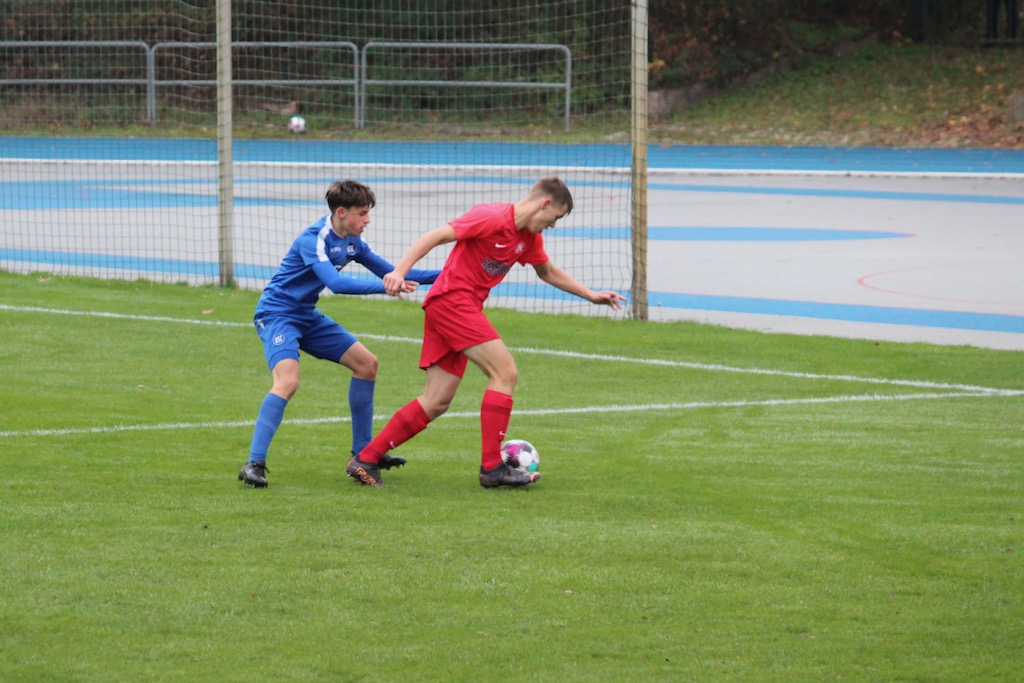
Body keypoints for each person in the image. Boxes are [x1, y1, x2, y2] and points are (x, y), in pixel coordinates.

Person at [346, 176, 626, 489]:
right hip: (453, 302)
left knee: (437, 400)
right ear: (544, 203)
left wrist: (591, 295)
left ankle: (366, 459)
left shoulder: (529, 237)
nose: (552, 225)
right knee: (505, 372)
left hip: (453, 307)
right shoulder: (491, 216)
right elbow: (434, 236)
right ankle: (492, 467)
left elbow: (547, 271)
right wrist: (398, 272)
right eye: (555, 217)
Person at [238, 179, 440, 488]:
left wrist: (455, 273)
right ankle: (254, 464)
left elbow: (396, 273)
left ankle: (363, 454)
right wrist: (386, 287)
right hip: (277, 315)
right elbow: (337, 284)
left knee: (367, 364)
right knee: (288, 381)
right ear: (342, 212)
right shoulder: (314, 239)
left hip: (306, 315)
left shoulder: (353, 242)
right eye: (363, 213)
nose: (367, 220)